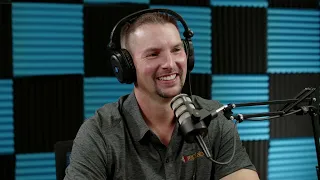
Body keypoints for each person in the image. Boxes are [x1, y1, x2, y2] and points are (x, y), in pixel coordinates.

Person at [64, 9, 260, 180]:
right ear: (127, 67)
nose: (170, 63)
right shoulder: (99, 133)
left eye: (176, 50)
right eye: (153, 54)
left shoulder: (213, 118)